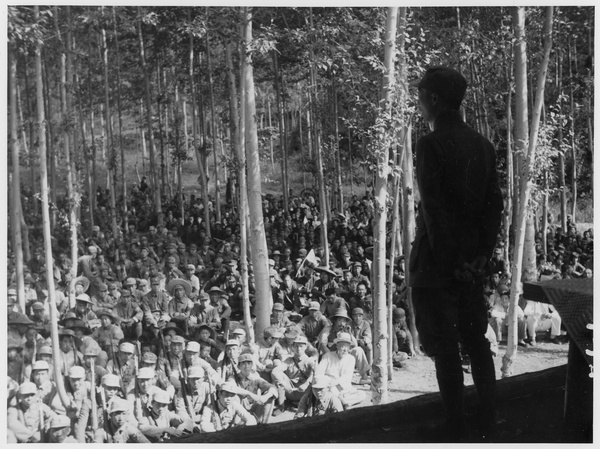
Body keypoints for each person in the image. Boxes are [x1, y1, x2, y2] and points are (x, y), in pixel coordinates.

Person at [409, 66, 504, 440]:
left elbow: (434, 210)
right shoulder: (483, 145)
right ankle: (488, 418)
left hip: (438, 267)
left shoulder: (429, 145)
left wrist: (451, 264)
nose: (419, 106)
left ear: (433, 99)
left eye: (420, 98)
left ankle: (455, 426)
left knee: (445, 347)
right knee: (477, 342)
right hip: (472, 266)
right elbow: (494, 207)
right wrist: (480, 257)